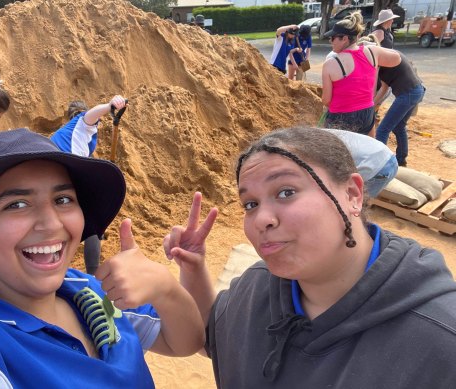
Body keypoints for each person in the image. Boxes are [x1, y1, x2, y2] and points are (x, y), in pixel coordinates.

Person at [0, 129, 204, 388]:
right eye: (16, 204)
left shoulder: (91, 290)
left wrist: (165, 288)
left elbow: (184, 343)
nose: (51, 223)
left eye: (63, 199)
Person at [165, 127, 456, 388]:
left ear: (353, 194)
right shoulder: (256, 285)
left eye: (286, 192)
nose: (261, 219)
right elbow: (214, 338)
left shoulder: (440, 338)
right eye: (250, 204)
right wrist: (193, 268)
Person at [50, 95, 127, 275]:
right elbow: (91, 115)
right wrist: (109, 106)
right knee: (93, 222)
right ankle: (93, 273)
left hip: (54, 183)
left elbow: (87, 161)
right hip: (65, 181)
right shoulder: (82, 124)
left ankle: (55, 268)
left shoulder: (67, 135)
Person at [322, 11, 400, 136]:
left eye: (333, 38)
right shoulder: (371, 52)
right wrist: (374, 48)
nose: (331, 41)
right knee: (366, 151)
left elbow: (326, 100)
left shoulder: (331, 63)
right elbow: (397, 58)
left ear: (345, 38)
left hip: (340, 117)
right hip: (366, 113)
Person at [374, 52, 425, 167]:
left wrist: (371, 105)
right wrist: (372, 104)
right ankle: (401, 160)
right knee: (398, 126)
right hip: (417, 90)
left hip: (408, 93)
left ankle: (379, 164)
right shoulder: (388, 57)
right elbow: (384, 87)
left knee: (382, 130)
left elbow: (383, 89)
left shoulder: (385, 61)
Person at [321, 128, 397, 197]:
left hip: (378, 169)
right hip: (386, 155)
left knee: (353, 202)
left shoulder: (316, 150)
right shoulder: (320, 134)